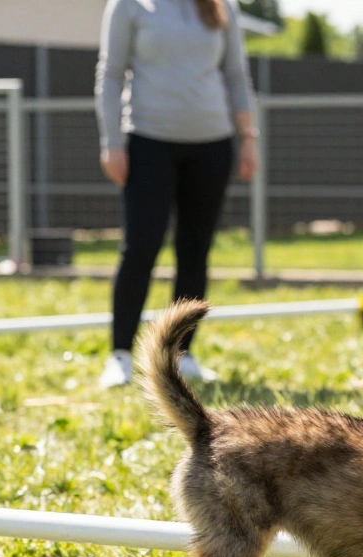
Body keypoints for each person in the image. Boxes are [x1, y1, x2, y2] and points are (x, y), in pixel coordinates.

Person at [94, 0, 258, 388]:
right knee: (140, 247)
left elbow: (236, 75)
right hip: (149, 142)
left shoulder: (222, 7)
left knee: (194, 251)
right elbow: (111, 73)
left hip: (213, 144)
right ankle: (120, 355)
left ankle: (181, 354)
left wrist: (248, 137)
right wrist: (111, 142)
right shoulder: (129, 5)